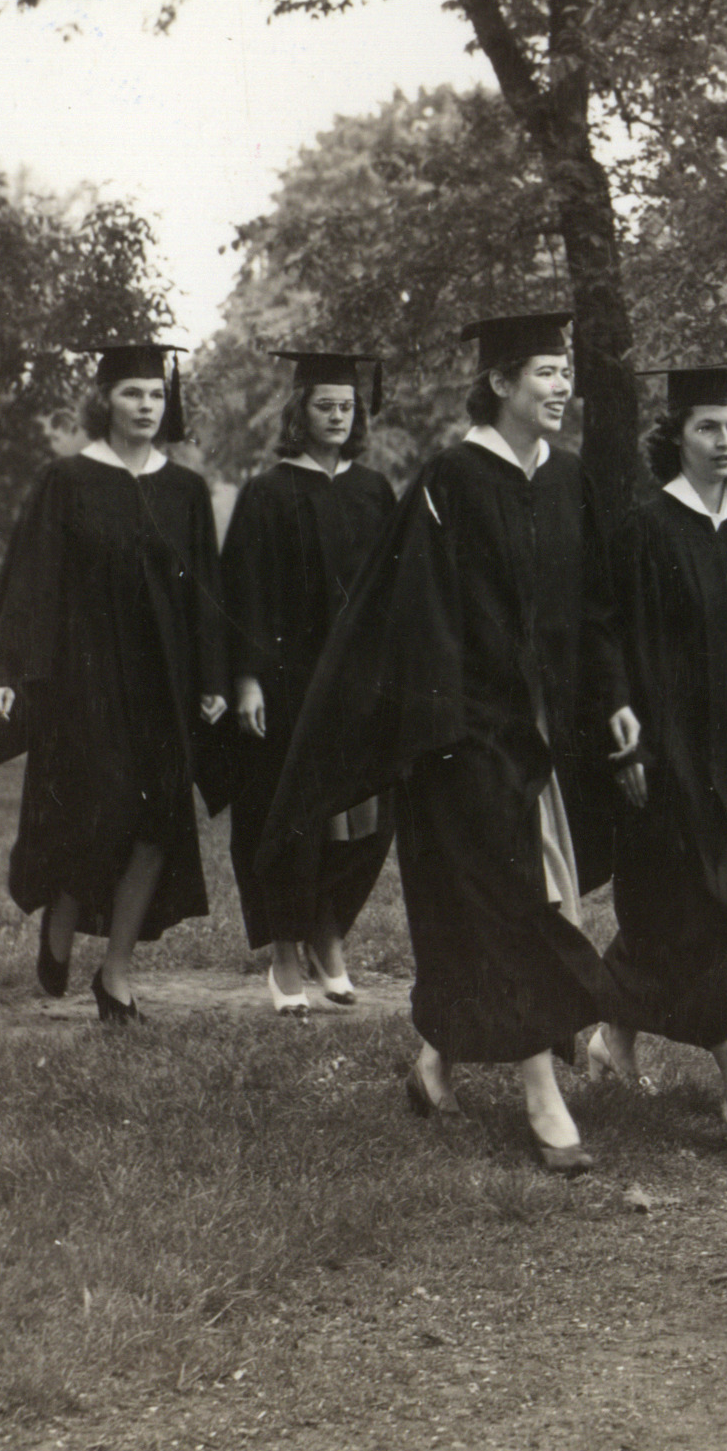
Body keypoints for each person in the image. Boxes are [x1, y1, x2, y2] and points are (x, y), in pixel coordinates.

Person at [263, 310, 640, 1173]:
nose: (562, 387)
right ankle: (542, 1098)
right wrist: (452, 731)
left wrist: (613, 695)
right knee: (515, 904)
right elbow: (414, 621)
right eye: (545, 372)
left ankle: (435, 1064)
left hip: (544, 740)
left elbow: (594, 606)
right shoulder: (452, 479)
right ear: (500, 383)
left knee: (526, 901)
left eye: (565, 372)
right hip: (469, 739)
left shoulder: (566, 479)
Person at [0, 345, 229, 1021]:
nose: (146, 406)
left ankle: (115, 976)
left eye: (155, 394)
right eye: (131, 393)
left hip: (163, 685)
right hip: (85, 681)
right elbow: (30, 581)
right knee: (95, 815)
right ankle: (62, 911)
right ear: (104, 401)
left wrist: (213, 676)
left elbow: (206, 590)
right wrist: (5, 670)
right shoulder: (66, 480)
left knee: (157, 828)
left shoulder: (185, 490)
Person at [584, 362, 727, 1154]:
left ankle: (613, 1034)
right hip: (671, 747)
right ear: (676, 435)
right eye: (708, 427)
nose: (724, 441)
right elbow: (604, 633)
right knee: (696, 907)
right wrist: (626, 735)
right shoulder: (644, 528)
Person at [218, 353, 401, 1012]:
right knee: (290, 819)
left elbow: (395, 589)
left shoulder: (374, 491)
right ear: (300, 412)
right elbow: (242, 593)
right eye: (324, 406)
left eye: (346, 407)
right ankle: (285, 957)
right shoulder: (268, 493)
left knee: (362, 822)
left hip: (358, 687)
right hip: (288, 685)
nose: (337, 417)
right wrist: (246, 680)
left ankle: (329, 934)